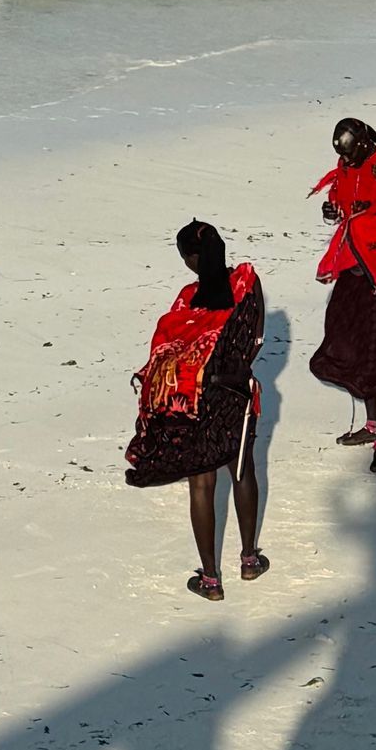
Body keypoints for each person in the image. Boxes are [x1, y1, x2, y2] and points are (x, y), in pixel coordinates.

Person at [124, 220, 267, 601]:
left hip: (195, 399)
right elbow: (256, 337)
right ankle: (250, 559)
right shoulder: (247, 284)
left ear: (190, 259)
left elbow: (165, 351)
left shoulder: (187, 297)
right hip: (237, 395)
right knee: (242, 471)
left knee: (202, 484)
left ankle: (210, 579)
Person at [308, 116, 376, 474]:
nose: (348, 163)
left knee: (374, 350)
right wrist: (334, 210)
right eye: (345, 158)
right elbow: (341, 198)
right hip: (351, 265)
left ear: (365, 143)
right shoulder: (346, 165)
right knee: (339, 334)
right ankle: (371, 426)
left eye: (352, 156)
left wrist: (367, 217)